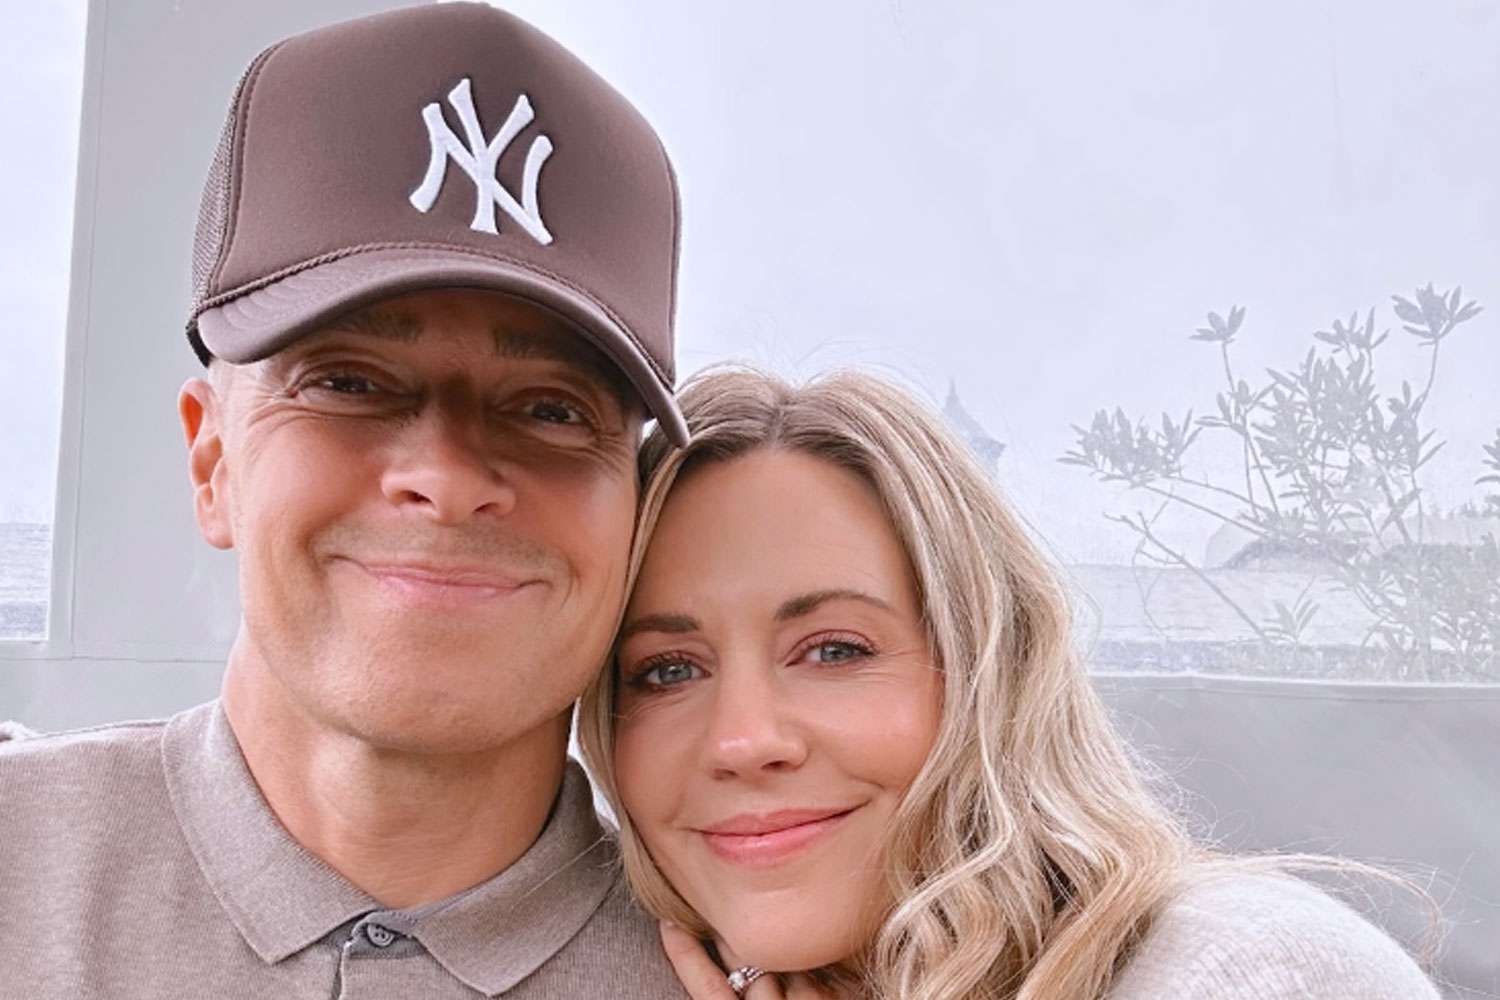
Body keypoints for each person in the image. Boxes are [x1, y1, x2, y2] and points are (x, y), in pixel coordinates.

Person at [0, 5, 692, 997]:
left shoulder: (751, 971)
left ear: (635, 505)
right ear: (211, 460)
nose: (446, 478)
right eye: (349, 383)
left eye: (550, 408)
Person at [578, 368, 1444, 1000]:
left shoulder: (1247, 969)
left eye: (834, 650)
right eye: (667, 670)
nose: (742, 740)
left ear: (994, 668)